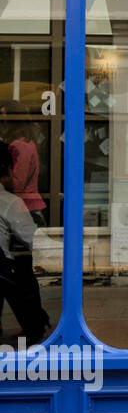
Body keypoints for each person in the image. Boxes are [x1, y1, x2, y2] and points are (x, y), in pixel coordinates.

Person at [0, 141, 50, 342]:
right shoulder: (9, 201)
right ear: (7, 171)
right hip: (2, 269)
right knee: (22, 273)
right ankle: (35, 327)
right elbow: (33, 239)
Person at [0, 102, 45, 226]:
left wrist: (2, 180)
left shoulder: (20, 145)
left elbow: (18, 183)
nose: (2, 124)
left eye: (4, 119)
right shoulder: (26, 142)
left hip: (25, 208)